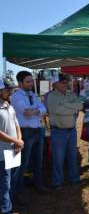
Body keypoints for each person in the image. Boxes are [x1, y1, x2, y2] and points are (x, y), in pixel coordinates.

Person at [10, 71, 48, 203]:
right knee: (23, 164)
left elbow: (44, 109)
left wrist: (36, 110)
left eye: (32, 81)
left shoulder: (32, 94)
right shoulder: (16, 96)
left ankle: (38, 184)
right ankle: (18, 192)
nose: (31, 83)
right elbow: (26, 113)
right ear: (20, 83)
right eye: (28, 81)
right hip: (25, 132)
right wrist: (37, 110)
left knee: (38, 160)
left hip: (37, 130)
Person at [47, 73, 82, 189]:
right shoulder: (51, 96)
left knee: (72, 156)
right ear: (55, 84)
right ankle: (57, 181)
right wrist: (72, 108)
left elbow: (80, 105)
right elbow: (56, 110)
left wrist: (65, 104)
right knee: (58, 158)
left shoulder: (70, 94)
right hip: (58, 131)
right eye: (63, 82)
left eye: (66, 82)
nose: (65, 84)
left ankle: (74, 178)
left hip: (71, 131)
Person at [0, 79, 23, 214]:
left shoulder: (9, 105)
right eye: (7, 90)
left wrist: (19, 140)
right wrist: (16, 141)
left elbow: (16, 125)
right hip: (2, 154)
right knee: (4, 184)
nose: (10, 93)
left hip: (14, 150)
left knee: (13, 181)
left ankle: (10, 206)